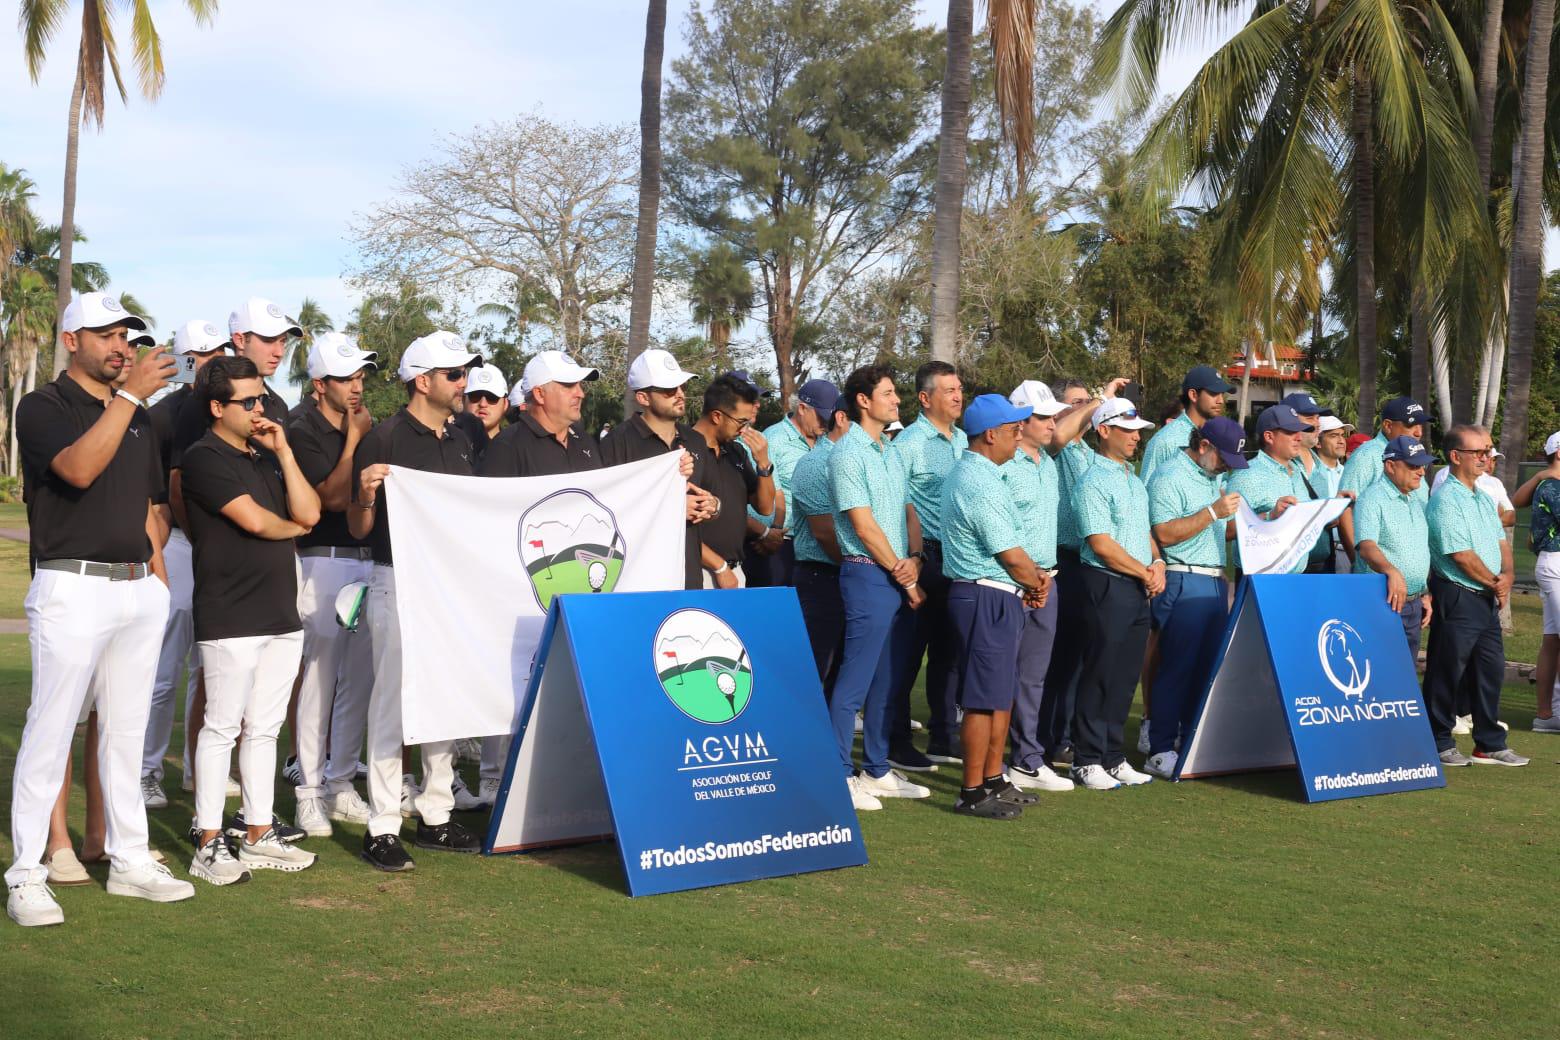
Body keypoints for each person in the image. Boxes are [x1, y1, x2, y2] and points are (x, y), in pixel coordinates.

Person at [7, 291, 194, 926]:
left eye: (129, 336)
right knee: (51, 730)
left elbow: (147, 508)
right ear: (70, 340)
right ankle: (28, 873)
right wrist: (131, 399)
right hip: (72, 583)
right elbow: (79, 470)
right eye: (107, 334)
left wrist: (158, 585)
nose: (122, 346)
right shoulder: (45, 406)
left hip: (136, 586)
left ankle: (130, 860)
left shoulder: (135, 413)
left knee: (125, 733)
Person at [181, 356, 322, 883]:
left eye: (262, 398)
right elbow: (257, 522)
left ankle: (259, 832)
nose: (260, 409)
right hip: (230, 613)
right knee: (221, 727)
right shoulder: (203, 457)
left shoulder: (264, 458)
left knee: (264, 729)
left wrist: (283, 451)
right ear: (218, 407)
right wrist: (294, 525)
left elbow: (307, 512)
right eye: (248, 401)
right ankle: (209, 840)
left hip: (278, 612)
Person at [351, 331, 486, 871]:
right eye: (455, 375)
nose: (464, 383)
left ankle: (435, 813)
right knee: (392, 705)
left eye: (465, 373)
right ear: (422, 381)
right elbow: (359, 526)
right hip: (397, 580)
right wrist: (363, 493)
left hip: (451, 587)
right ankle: (382, 825)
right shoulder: (384, 437)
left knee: (445, 700)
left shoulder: (464, 437)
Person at [284, 333, 380, 837]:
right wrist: (353, 440)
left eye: (361, 377)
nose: (357, 387)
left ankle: (341, 781)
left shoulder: (365, 425)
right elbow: (330, 499)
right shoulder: (302, 429)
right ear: (320, 385)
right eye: (347, 378)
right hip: (322, 561)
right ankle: (309, 789)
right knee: (320, 678)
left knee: (359, 680)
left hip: (366, 561)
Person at [941, 395, 1050, 819]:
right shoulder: (978, 479)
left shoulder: (987, 474)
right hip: (984, 593)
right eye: (1012, 430)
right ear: (990, 434)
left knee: (999, 694)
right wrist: (1037, 580)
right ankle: (971, 791)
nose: (1018, 436)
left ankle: (992, 778)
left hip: (999, 593)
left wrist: (1031, 581)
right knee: (983, 698)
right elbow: (1008, 552)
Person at [827, 365, 929, 810]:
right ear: (863, 401)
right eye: (888, 393)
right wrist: (901, 571)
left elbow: (906, 512)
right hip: (868, 573)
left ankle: (877, 767)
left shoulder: (889, 450)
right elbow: (863, 525)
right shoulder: (848, 453)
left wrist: (913, 563)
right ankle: (839, 774)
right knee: (853, 683)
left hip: (894, 572)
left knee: (886, 682)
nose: (897, 400)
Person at [140, 319, 229, 809]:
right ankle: (146, 771)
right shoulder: (164, 415)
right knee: (165, 672)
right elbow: (156, 500)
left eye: (219, 351)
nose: (213, 359)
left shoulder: (222, 410)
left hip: (216, 547)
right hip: (175, 545)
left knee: (209, 668)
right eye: (205, 353)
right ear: (187, 359)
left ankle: (199, 769)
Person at [1143, 418, 1248, 778]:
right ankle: (1158, 748)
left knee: (1205, 668)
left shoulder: (1211, 479)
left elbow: (1219, 532)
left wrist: (1266, 517)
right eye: (1223, 458)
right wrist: (1212, 512)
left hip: (1215, 581)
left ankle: (1187, 740)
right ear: (1204, 446)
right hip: (1182, 577)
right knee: (1177, 667)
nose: (1225, 468)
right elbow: (1165, 532)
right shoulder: (1170, 476)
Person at [1070, 397, 1162, 791]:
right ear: (1103, 430)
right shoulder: (1091, 481)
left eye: (1138, 431)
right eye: (1127, 430)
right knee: (1099, 673)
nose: (1136, 438)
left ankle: (1112, 755)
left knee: (1125, 676)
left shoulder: (1134, 479)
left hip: (1138, 584)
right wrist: (1144, 570)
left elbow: (1144, 535)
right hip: (1106, 582)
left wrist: (1156, 564)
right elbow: (1101, 543)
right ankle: (1086, 759)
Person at [1422, 424, 1527, 767]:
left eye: (1488, 450)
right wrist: (1497, 582)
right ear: (1456, 457)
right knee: (1447, 669)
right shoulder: (1445, 500)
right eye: (1478, 452)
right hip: (1458, 591)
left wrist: (1507, 576)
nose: (1486, 457)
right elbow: (1460, 554)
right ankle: (1438, 741)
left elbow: (1500, 542)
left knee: (1489, 669)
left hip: (1485, 594)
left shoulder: (1483, 497)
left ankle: (1488, 742)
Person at [1040, 377, 1130, 769]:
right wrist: (1099, 400)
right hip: (1062, 560)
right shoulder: (1054, 446)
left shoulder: (1090, 454)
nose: (1087, 410)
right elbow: (1060, 433)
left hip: (1087, 563)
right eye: (1076, 404)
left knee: (1081, 660)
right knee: (1058, 663)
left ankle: (1070, 738)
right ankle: (1046, 740)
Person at [996, 382, 1075, 794]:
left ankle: (1027, 757)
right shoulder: (1002, 465)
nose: (1052, 424)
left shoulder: (1047, 462)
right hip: (1010, 582)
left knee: (1033, 676)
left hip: (1049, 579)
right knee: (999, 675)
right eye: (1044, 417)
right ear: (1019, 422)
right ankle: (995, 761)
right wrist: (1026, 577)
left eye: (1053, 416)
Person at [887, 361, 966, 769]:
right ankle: (896, 740)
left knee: (948, 655)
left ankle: (943, 736)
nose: (958, 396)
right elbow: (899, 507)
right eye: (949, 390)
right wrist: (911, 564)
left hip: (956, 559)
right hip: (922, 559)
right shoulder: (909, 444)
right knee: (906, 656)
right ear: (925, 398)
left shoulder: (964, 440)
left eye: (959, 389)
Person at [600, 348, 719, 591]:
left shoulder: (696, 440)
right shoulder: (616, 442)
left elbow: (715, 499)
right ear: (643, 398)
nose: (680, 394)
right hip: (639, 578)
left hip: (688, 574)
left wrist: (713, 506)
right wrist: (673, 507)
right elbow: (607, 513)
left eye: (682, 387)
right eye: (668, 390)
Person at [747, 380, 837, 588]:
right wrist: (771, 533)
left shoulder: (827, 442)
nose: (825, 424)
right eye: (821, 417)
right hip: (781, 544)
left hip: (818, 547)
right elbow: (767, 494)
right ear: (803, 408)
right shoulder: (774, 439)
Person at [1353, 436, 1434, 662]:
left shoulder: (1414, 500)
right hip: (1382, 600)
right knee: (1379, 670)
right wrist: (1390, 570)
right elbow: (1366, 546)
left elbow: (1418, 550)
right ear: (1390, 465)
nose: (1420, 471)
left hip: (1413, 602)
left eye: (1422, 466)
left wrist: (1423, 592)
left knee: (1404, 675)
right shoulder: (1372, 498)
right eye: (1413, 465)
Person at [691, 375, 776, 588]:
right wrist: (719, 566)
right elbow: (674, 525)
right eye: (741, 421)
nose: (744, 429)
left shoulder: (735, 451)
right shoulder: (684, 450)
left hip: (734, 569)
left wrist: (763, 464)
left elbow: (765, 508)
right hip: (698, 570)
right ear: (717, 416)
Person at [789, 406, 852, 695]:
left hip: (849, 573)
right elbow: (825, 533)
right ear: (841, 419)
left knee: (841, 667)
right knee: (816, 668)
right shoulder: (816, 463)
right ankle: (801, 737)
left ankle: (830, 735)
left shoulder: (861, 458)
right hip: (822, 576)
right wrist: (858, 566)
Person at [481, 350, 602, 477]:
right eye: (569, 385)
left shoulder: (586, 441)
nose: (580, 394)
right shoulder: (506, 449)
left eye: (580, 385)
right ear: (539, 394)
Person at [1226, 405, 1312, 574]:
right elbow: (1227, 530)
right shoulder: (1248, 475)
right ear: (1269, 437)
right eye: (1290, 431)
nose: (1299, 437)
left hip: (1297, 578)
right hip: (1260, 580)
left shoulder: (1298, 471)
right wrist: (1270, 516)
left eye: (1300, 431)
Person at [1512, 433, 1560, 732]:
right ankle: (1548, 713)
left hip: (1552, 564)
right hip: (1556, 564)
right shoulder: (1553, 486)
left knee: (1552, 641)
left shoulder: (1548, 482)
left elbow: (1517, 500)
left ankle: (1547, 715)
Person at [1138, 365, 1234, 485]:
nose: (1221, 400)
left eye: (1222, 394)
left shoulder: (1218, 437)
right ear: (1193, 395)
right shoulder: (1164, 441)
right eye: (1214, 393)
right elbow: (1147, 491)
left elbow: (1221, 484)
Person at [462, 363, 510, 468]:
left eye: (492, 397)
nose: (483, 404)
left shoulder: (515, 447)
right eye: (475, 396)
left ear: (505, 404)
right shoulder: (448, 445)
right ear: (463, 400)